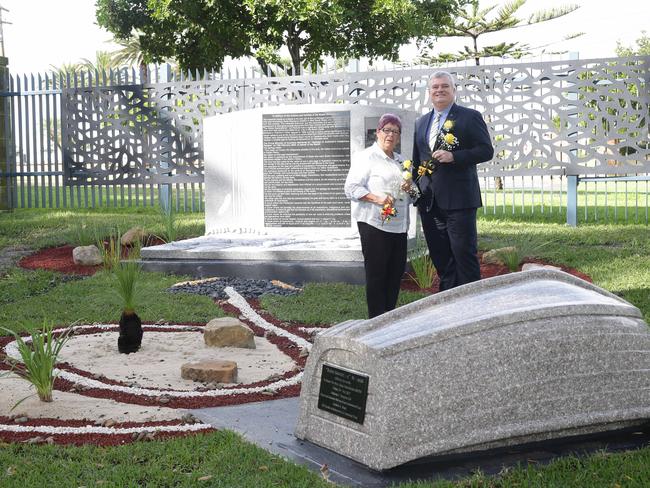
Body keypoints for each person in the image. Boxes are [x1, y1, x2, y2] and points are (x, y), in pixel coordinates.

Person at [412, 71, 494, 291]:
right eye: (435, 87)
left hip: (459, 201)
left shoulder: (469, 116)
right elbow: (416, 162)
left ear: (453, 90)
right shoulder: (420, 123)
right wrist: (416, 197)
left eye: (444, 86)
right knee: (442, 259)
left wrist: (454, 156)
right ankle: (447, 305)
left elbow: (486, 151)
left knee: (463, 257)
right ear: (429, 93)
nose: (440, 90)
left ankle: (473, 305)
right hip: (430, 204)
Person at [344, 114, 419, 318]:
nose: (390, 135)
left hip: (399, 226)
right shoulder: (366, 157)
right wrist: (377, 199)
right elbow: (350, 188)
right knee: (377, 274)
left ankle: (389, 318)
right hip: (374, 224)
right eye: (387, 130)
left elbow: (415, 196)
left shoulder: (402, 162)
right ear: (378, 132)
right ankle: (376, 320)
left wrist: (410, 188)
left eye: (395, 131)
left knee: (395, 274)